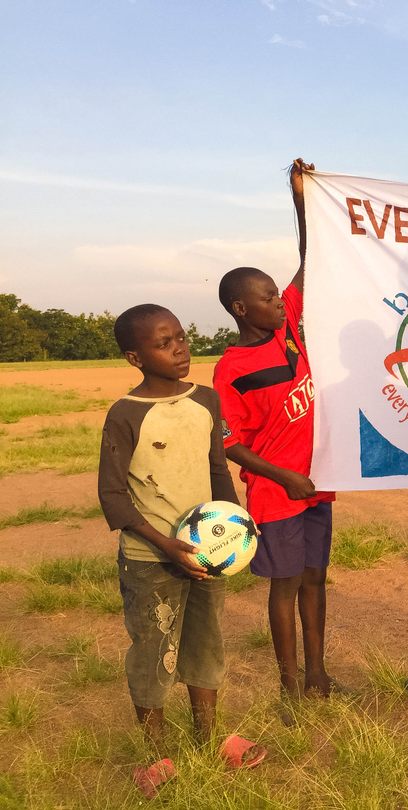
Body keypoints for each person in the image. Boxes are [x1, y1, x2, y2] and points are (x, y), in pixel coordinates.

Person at [98, 304, 267, 798]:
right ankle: (155, 756)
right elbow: (112, 495)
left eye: (181, 338)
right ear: (135, 357)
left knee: (206, 642)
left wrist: (235, 526)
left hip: (205, 555)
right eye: (163, 343)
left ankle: (210, 739)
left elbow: (217, 471)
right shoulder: (126, 413)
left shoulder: (206, 401)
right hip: (152, 559)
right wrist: (166, 545)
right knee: (154, 650)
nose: (179, 349)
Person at [213, 159, 339, 711]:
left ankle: (318, 674)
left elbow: (312, 259)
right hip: (277, 493)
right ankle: (289, 687)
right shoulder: (231, 369)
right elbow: (229, 442)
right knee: (284, 587)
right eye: (266, 297)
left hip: (317, 484)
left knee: (316, 579)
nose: (277, 301)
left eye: (276, 294)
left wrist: (301, 199)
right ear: (241, 308)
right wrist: (283, 475)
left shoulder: (287, 326)